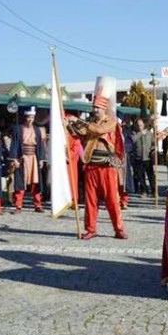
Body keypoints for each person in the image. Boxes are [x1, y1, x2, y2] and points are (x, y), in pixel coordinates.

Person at [68, 77, 127, 240]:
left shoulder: (111, 121)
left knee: (112, 200)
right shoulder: (90, 122)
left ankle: (119, 229)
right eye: (93, 107)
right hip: (91, 166)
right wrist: (70, 123)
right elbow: (80, 133)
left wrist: (80, 122)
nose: (94, 110)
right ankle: (91, 228)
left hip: (107, 166)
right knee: (90, 200)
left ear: (104, 107)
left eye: (97, 107)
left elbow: (98, 130)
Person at [8, 106, 45, 214]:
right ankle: (18, 206)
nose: (30, 119)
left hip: (34, 158)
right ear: (25, 117)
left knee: (36, 182)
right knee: (20, 182)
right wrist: (14, 158)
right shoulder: (18, 129)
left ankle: (38, 205)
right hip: (22, 158)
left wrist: (41, 159)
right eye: (29, 117)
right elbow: (14, 144)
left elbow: (40, 146)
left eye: (32, 117)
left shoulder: (37, 130)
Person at [130, 117, 155, 196]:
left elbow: (153, 143)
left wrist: (154, 149)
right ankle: (144, 190)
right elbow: (133, 140)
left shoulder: (149, 133)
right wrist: (140, 133)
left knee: (151, 176)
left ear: (144, 125)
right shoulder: (134, 133)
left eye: (141, 125)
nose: (139, 126)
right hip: (138, 158)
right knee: (141, 176)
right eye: (138, 125)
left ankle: (154, 190)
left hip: (148, 158)